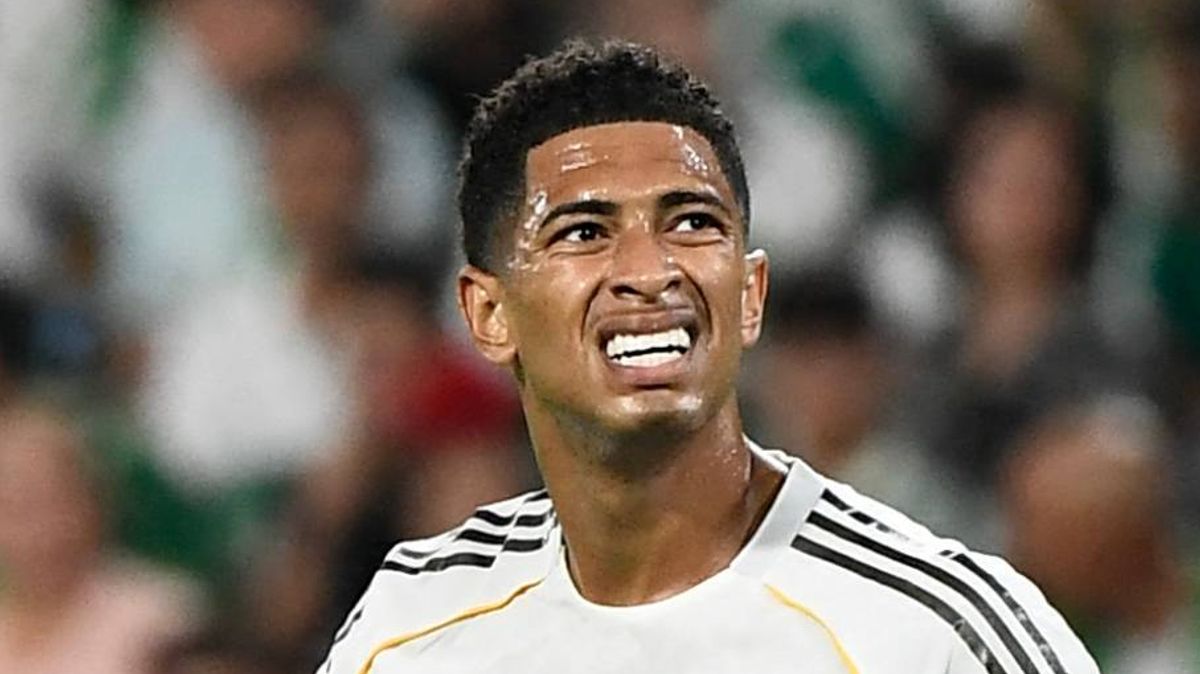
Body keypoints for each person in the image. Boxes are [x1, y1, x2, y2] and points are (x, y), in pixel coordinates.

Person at [317, 39, 1098, 673]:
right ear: (489, 315)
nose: (650, 271)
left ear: (750, 295)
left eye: (691, 223)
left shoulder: (936, 634)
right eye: (584, 232)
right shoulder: (409, 627)